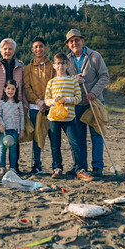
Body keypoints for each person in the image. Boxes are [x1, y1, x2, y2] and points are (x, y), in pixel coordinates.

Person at [65, 29, 110, 177]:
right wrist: (73, 80)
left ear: (82, 41)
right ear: (68, 44)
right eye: (71, 41)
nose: (74, 43)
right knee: (78, 137)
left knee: (97, 135)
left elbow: (104, 77)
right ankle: (81, 166)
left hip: (94, 102)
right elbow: (64, 81)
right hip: (77, 103)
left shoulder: (95, 56)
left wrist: (93, 93)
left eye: (77, 40)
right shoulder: (67, 60)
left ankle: (97, 167)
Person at [44, 53, 94, 182]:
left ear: (67, 65)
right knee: (55, 145)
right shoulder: (51, 82)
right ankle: (57, 168)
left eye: (63, 63)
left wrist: (68, 99)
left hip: (69, 117)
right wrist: (53, 101)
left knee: (75, 143)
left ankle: (80, 169)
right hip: (54, 118)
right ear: (54, 66)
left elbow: (78, 98)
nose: (60, 66)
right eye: (58, 63)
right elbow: (46, 100)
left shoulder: (72, 80)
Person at [0, 38, 28, 175]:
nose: (7, 51)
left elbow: (23, 88)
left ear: (14, 51)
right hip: (0, 106)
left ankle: (14, 166)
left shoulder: (20, 67)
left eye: (10, 49)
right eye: (5, 49)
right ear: (1, 50)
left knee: (15, 138)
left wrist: (24, 105)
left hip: (15, 106)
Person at [24, 37, 56, 175]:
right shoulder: (28, 68)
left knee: (53, 137)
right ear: (32, 49)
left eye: (41, 46)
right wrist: (38, 101)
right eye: (36, 47)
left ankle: (56, 166)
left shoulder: (53, 66)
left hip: (52, 108)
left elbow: (56, 84)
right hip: (35, 108)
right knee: (37, 138)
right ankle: (37, 166)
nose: (38, 49)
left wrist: (48, 102)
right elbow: (27, 88)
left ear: (45, 48)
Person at [0, 79, 25, 176]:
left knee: (13, 150)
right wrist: (1, 124)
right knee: (2, 149)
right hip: (4, 130)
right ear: (4, 89)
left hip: (14, 130)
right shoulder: (2, 103)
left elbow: (21, 117)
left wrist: (22, 130)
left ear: (16, 90)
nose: (10, 91)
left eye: (13, 89)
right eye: (8, 88)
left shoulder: (18, 103)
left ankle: (12, 168)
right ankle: (2, 167)